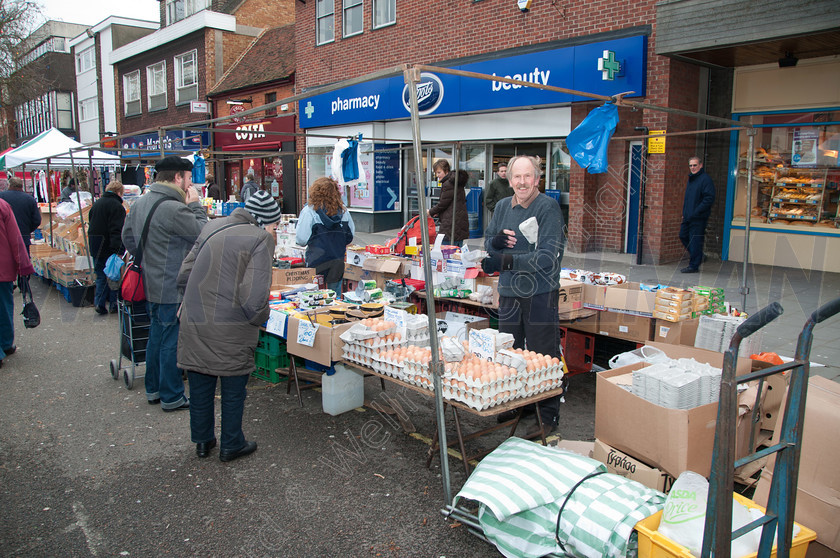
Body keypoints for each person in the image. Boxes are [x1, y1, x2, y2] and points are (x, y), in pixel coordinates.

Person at [177, 190, 282, 462]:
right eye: (274, 225)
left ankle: (203, 441)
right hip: (231, 325)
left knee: (200, 385)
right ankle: (231, 443)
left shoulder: (212, 225)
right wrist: (261, 319)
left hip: (195, 317)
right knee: (233, 390)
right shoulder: (260, 238)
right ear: (262, 221)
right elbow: (254, 296)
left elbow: (184, 274)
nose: (275, 231)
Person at [482, 155, 565, 438]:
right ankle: (517, 403)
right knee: (510, 352)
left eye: (528, 176)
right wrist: (494, 244)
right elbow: (488, 241)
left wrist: (505, 261)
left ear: (538, 179)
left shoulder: (548, 208)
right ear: (509, 179)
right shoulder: (504, 206)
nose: (522, 182)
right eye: (517, 177)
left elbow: (546, 257)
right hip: (509, 293)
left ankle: (548, 412)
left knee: (545, 355)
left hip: (540, 293)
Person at [122, 156, 208, 411]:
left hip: (150, 281)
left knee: (156, 337)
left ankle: (154, 389)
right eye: (189, 178)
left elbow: (128, 238)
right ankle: (171, 395)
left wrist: (150, 258)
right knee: (171, 340)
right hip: (172, 284)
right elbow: (203, 234)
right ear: (178, 177)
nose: (191, 184)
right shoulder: (175, 207)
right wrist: (195, 206)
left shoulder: (140, 203)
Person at [296, 177, 355, 294]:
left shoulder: (309, 211)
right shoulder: (344, 212)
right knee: (335, 299)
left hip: (316, 261)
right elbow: (350, 236)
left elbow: (301, 239)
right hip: (337, 261)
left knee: (314, 298)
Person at [0, 198, 35, 368]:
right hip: (2, 266)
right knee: (4, 306)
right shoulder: (3, 205)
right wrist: (24, 265)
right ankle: (6, 344)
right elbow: (15, 237)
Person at [87, 181, 126, 315]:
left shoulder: (97, 204)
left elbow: (91, 223)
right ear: (119, 192)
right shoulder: (117, 206)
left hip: (95, 244)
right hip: (109, 246)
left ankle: (99, 302)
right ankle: (114, 304)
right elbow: (117, 230)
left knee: (100, 275)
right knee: (113, 275)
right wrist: (118, 250)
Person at [679, 156, 715, 273]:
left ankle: (694, 265)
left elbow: (709, 198)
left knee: (694, 241)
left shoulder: (705, 179)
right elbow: (688, 199)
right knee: (683, 235)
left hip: (698, 217)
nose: (693, 168)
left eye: (695, 165)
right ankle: (698, 256)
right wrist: (685, 213)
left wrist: (696, 212)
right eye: (691, 165)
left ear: (701, 165)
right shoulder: (692, 179)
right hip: (688, 216)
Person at [428, 160, 469, 247]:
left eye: (439, 172)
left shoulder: (448, 184)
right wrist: (438, 212)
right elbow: (450, 202)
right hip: (458, 220)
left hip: (450, 222)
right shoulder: (456, 181)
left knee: (445, 249)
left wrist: (430, 212)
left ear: (446, 171)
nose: (437, 175)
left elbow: (443, 203)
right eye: (436, 173)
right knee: (457, 248)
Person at [0, 177, 41, 255]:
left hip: (4, 238)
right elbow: (37, 220)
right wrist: (27, 230)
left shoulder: (1, 197)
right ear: (21, 186)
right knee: (23, 263)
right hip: (23, 236)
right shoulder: (30, 199)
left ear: (9, 185)